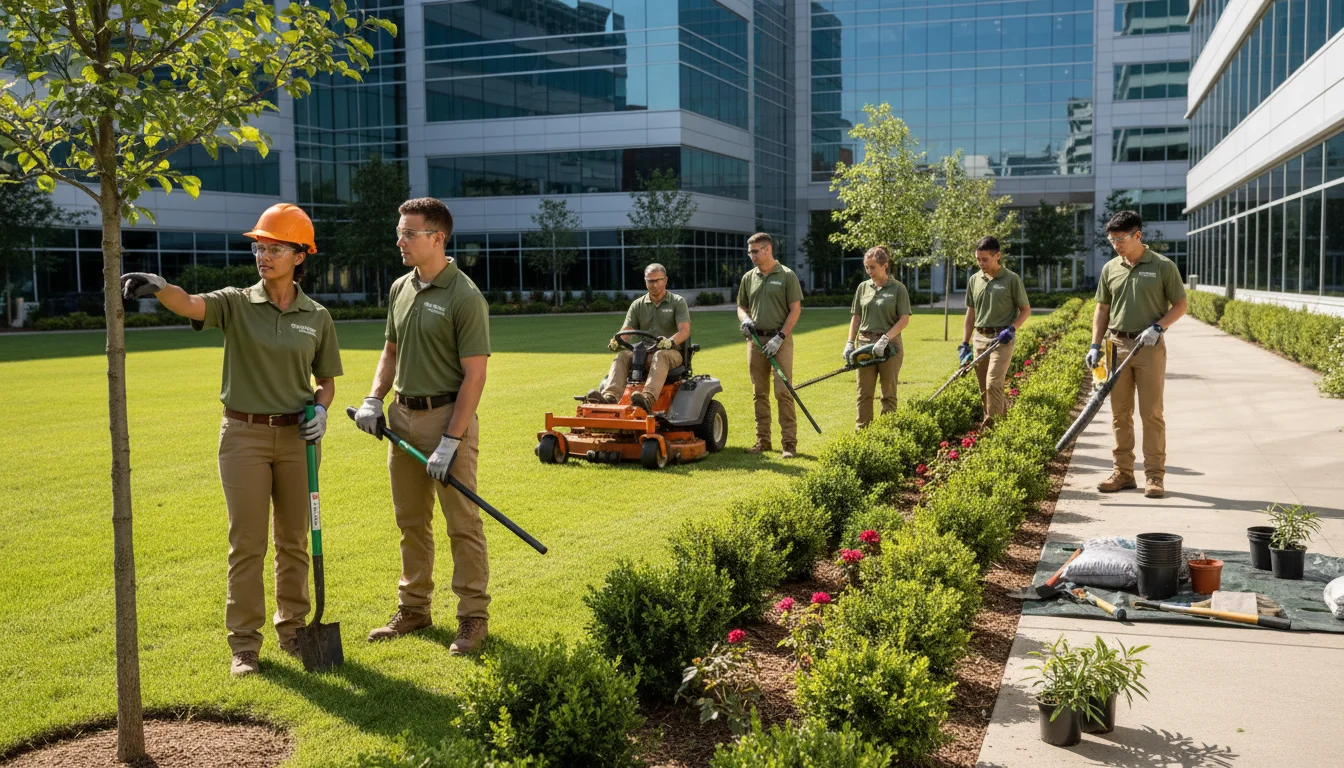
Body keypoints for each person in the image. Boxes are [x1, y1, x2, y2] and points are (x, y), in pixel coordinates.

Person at [119, 203, 342, 677]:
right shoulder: (237, 302)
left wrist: (321, 409)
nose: (263, 255)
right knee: (247, 543)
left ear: (300, 255)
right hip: (243, 436)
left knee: (295, 542)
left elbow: (325, 379)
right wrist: (160, 287)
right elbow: (191, 302)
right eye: (259, 247)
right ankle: (244, 645)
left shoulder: (317, 315)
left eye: (275, 247)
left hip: (299, 440)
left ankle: (294, 631)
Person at [353, 197, 494, 654]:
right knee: (411, 521)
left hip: (445, 419)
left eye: (409, 234)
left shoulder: (465, 296)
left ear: (437, 238)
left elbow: (475, 376)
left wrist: (450, 441)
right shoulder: (400, 288)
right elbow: (390, 352)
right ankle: (414, 608)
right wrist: (375, 397)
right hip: (402, 418)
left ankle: (473, 617)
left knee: (462, 524)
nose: (400, 241)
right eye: (400, 233)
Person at [1087, 210, 1187, 499]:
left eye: (1121, 239)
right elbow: (1102, 309)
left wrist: (1159, 326)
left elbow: (1180, 306)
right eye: (1112, 240)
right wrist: (1095, 345)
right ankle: (1123, 473)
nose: (1116, 245)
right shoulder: (1110, 269)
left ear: (1138, 236)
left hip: (1149, 347)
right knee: (1120, 414)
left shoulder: (1162, 266)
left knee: (1151, 413)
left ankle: (1154, 476)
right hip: (1115, 346)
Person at [585, 263, 691, 411]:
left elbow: (684, 331)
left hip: (671, 353)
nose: (654, 285)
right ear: (645, 281)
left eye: (658, 280)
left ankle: (647, 399)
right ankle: (610, 398)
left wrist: (670, 342)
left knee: (660, 355)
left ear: (665, 280)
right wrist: (617, 341)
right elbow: (626, 331)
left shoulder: (677, 302)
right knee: (623, 356)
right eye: (650, 281)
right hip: (643, 352)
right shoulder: (637, 305)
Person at [736, 232, 803, 458]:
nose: (751, 256)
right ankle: (763, 440)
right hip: (755, 341)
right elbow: (741, 306)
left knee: (783, 392)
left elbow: (795, 309)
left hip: (779, 341)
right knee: (759, 393)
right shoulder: (748, 277)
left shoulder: (786, 275)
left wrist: (780, 337)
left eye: (755, 251)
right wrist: (744, 319)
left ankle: (789, 445)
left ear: (768, 249)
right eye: (750, 252)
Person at [960, 236, 1031, 427]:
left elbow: (1026, 310)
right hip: (979, 338)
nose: (981, 263)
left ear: (997, 256)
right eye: (978, 259)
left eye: (985, 259)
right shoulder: (975, 280)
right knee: (985, 388)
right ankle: (1003, 425)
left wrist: (1012, 328)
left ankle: (992, 428)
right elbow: (971, 314)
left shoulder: (1011, 279)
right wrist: (964, 344)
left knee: (993, 383)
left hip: (1002, 339)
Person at [845, 246, 911, 429]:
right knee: (864, 392)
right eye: (867, 267)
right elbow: (856, 317)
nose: (869, 271)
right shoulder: (862, 287)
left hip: (890, 346)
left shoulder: (898, 289)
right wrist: (850, 342)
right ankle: (862, 432)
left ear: (885, 265)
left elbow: (904, 319)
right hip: (865, 343)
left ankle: (885, 433)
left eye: (873, 267)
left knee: (888, 393)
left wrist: (885, 338)